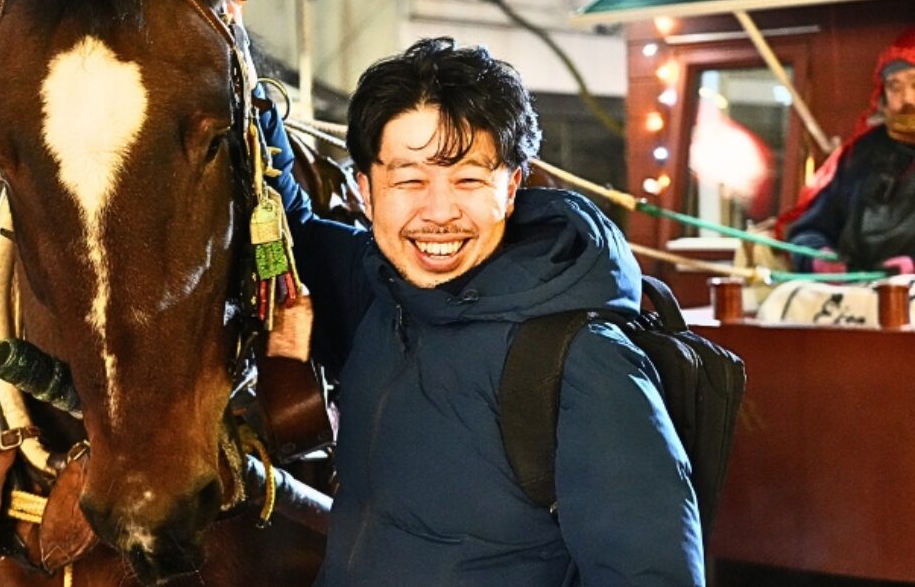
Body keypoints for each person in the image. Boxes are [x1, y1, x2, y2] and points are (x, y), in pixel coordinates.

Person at [261, 37, 704, 586]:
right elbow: (290, 224)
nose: (439, 212)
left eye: (468, 179)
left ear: (512, 186)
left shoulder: (580, 359)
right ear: (366, 191)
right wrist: (246, 86)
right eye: (409, 179)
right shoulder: (378, 291)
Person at [784, 28, 915, 275]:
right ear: (883, 97)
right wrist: (819, 259)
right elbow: (808, 232)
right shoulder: (859, 155)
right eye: (894, 86)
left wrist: (912, 267)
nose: (906, 99)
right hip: (854, 291)